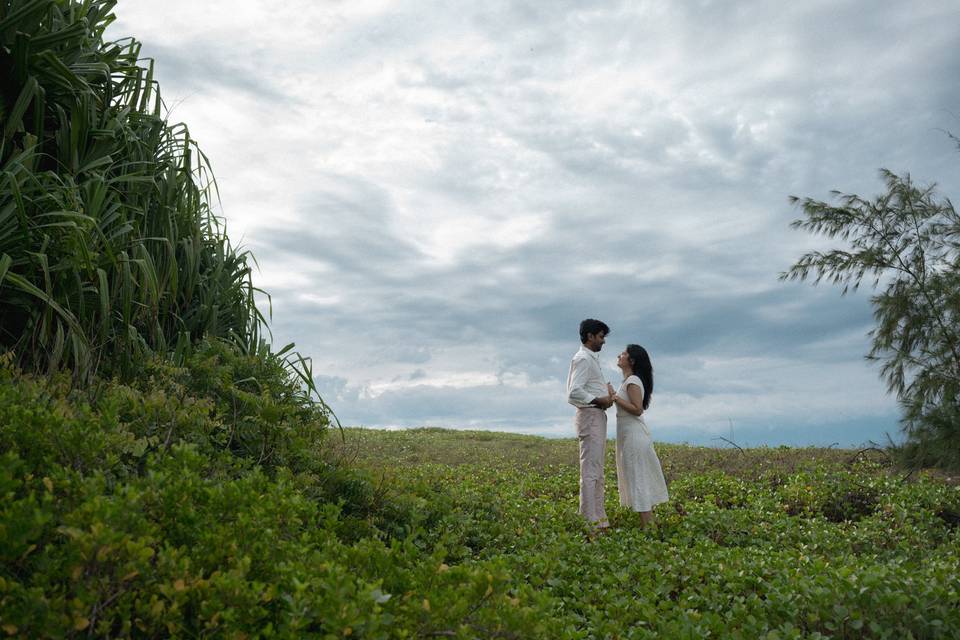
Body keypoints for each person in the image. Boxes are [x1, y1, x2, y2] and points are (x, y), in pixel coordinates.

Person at [607, 344, 668, 526]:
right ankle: (648, 524)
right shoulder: (629, 381)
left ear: (631, 361)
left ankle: (647, 527)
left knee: (638, 479)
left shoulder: (633, 380)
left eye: (624, 354)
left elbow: (637, 409)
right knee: (637, 478)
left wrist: (616, 397)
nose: (620, 355)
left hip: (634, 436)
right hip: (630, 435)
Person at [566, 318, 614, 531]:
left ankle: (599, 520)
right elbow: (573, 391)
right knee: (590, 471)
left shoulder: (590, 359)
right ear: (590, 336)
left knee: (597, 470)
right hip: (590, 415)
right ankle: (589, 522)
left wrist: (605, 395)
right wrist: (599, 400)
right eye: (601, 336)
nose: (603, 341)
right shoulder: (583, 358)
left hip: (596, 416)